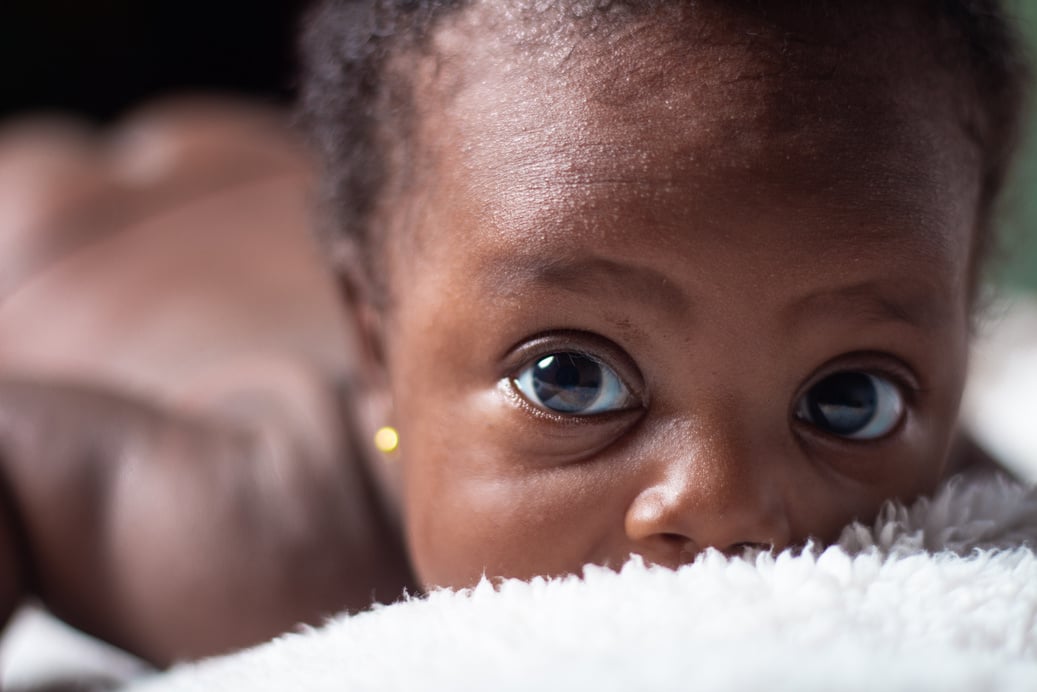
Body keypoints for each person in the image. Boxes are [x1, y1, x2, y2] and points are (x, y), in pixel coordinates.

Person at [0, 0, 1029, 670]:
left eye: (845, 396)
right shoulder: (253, 526)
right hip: (54, 237)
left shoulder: (951, 485)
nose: (724, 502)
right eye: (569, 377)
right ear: (372, 353)